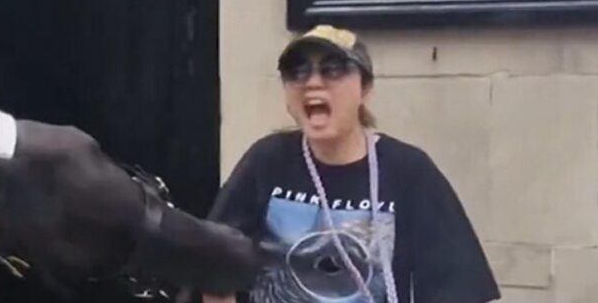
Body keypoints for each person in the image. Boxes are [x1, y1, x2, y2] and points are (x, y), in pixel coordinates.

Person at [200, 25, 500, 303]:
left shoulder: (408, 171)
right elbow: (210, 263)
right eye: (298, 72)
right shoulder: (267, 161)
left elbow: (460, 287)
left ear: (365, 88)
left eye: (333, 70)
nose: (313, 83)